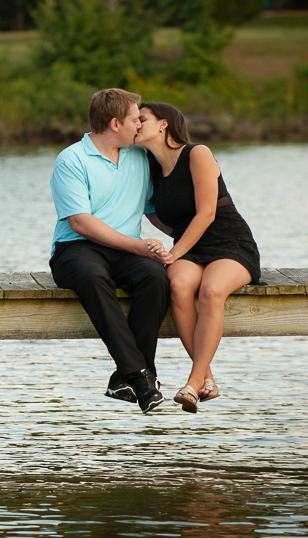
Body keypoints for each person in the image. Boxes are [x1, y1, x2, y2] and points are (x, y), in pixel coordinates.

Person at [49, 88, 173, 414]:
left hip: (127, 252)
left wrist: (193, 240)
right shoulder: (72, 159)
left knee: (156, 278)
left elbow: (151, 210)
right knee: (92, 277)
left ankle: (125, 378)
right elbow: (80, 222)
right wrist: (138, 246)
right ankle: (143, 377)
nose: (140, 124)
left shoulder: (138, 156)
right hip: (76, 249)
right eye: (135, 119)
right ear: (115, 123)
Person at [133, 102, 261, 413]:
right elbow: (153, 213)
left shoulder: (197, 153)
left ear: (164, 124)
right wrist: (171, 245)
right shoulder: (149, 168)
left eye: (142, 118)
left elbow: (206, 214)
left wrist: (174, 251)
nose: (135, 123)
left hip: (229, 241)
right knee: (176, 287)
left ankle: (192, 382)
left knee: (211, 291)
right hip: (190, 247)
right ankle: (208, 379)